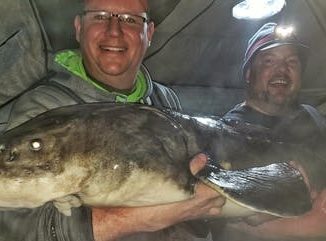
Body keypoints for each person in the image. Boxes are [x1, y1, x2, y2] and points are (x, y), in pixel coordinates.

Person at [0, 0, 226, 241]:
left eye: (130, 20)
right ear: (78, 28)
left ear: (148, 33)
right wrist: (135, 219)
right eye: (99, 16)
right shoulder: (42, 108)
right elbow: (10, 228)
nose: (114, 31)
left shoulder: (165, 99)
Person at [217, 22, 326, 241]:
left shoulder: (313, 117)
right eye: (269, 61)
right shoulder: (228, 133)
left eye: (292, 61)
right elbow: (231, 223)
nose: (282, 70)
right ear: (249, 73)